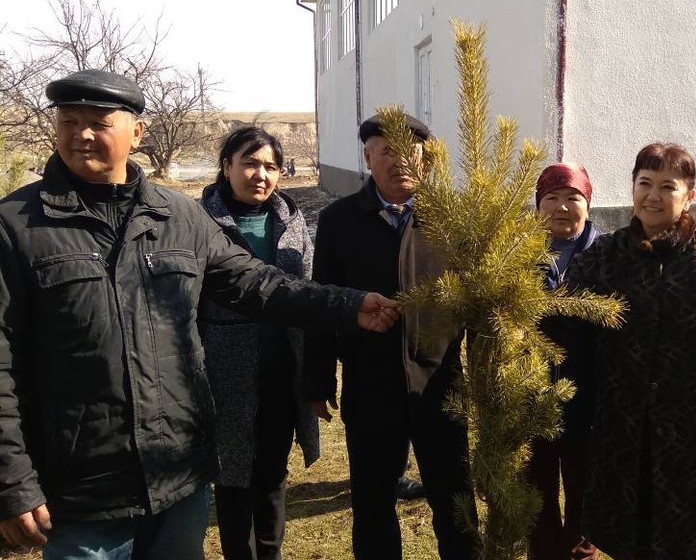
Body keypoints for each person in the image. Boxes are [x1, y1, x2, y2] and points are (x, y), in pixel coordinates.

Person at [0, 69, 398, 559]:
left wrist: (350, 304)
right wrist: (12, 480)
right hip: (84, 491)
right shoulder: (16, 227)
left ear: (137, 133)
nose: (82, 134)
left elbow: (257, 283)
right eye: (69, 120)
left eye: (99, 122)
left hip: (179, 478)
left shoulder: (177, 216)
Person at [566, 142, 696, 560]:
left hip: (693, 423)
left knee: (691, 525)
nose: (654, 196)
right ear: (632, 189)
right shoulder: (605, 256)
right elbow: (566, 320)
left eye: (668, 186)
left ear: (689, 196)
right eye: (645, 183)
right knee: (629, 523)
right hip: (620, 419)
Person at [304, 114, 477, 560]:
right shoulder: (340, 220)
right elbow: (322, 302)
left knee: (455, 500)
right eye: (387, 151)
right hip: (370, 380)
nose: (401, 161)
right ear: (367, 158)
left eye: (411, 151)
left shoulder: (451, 218)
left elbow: (478, 302)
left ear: (426, 159)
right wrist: (319, 382)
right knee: (374, 502)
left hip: (441, 381)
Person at [198, 127, 320, 559]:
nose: (260, 175)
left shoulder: (292, 221)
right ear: (226, 165)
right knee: (231, 478)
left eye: (271, 166)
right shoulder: (199, 224)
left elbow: (310, 299)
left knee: (271, 474)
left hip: (281, 373)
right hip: (222, 376)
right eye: (249, 163)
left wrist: (314, 378)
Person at [525, 162, 600, 560]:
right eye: (551, 198)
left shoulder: (606, 255)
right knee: (536, 498)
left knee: (584, 499)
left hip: (588, 399)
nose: (562, 207)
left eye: (573, 197)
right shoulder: (517, 255)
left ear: (588, 203)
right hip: (529, 397)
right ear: (538, 205)